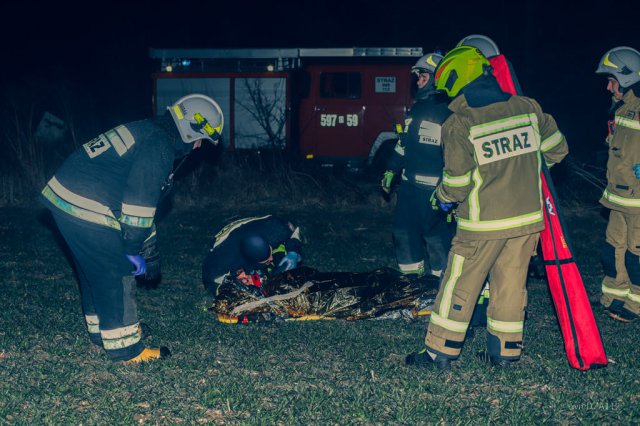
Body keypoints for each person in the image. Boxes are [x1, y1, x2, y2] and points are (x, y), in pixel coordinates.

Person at [405, 46, 568, 369]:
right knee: (510, 286)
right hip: (526, 220)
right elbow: (556, 151)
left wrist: (441, 198)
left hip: (482, 226)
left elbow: (458, 184)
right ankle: (505, 354)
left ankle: (439, 353)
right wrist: (520, 171)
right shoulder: (528, 107)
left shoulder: (459, 123)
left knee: (458, 285)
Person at [40, 93, 224, 363]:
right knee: (116, 269)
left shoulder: (152, 130)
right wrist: (132, 249)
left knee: (94, 269)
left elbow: (141, 206)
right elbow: (139, 202)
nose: (198, 148)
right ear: (192, 128)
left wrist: (149, 249)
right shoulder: (160, 143)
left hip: (65, 196)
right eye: (201, 140)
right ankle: (125, 349)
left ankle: (102, 331)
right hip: (85, 201)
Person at [381, 52, 454, 279]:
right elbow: (404, 144)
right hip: (408, 190)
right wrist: (391, 169)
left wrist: (448, 190)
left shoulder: (450, 112)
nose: (418, 81)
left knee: (437, 239)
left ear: (437, 78)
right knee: (403, 233)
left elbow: (458, 156)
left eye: (423, 76)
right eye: (418, 77)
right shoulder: (416, 109)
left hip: (434, 193)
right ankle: (412, 283)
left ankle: (439, 286)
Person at [595, 46, 640, 323]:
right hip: (617, 198)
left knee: (637, 254)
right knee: (613, 248)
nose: (609, 87)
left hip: (638, 201)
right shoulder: (623, 110)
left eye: (611, 80)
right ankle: (613, 296)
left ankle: (636, 305)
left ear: (626, 77)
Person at [202, 215, 302, 293]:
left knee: (281, 257)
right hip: (226, 245)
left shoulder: (276, 230)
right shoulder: (224, 261)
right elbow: (211, 280)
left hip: (255, 227)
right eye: (267, 260)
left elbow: (293, 230)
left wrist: (293, 251)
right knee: (239, 281)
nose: (270, 258)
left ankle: (271, 270)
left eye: (270, 254)